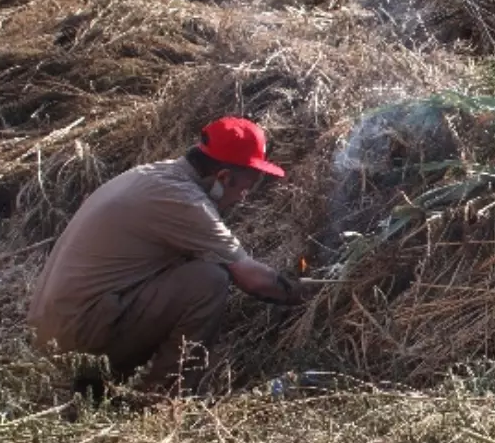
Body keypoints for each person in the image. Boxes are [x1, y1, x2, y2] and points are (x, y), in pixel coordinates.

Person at [27, 117, 309, 395]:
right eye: (245, 188)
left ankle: (102, 384)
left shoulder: (152, 175)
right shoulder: (183, 200)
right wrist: (307, 295)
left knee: (199, 265)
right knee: (209, 281)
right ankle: (162, 401)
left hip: (55, 329)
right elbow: (253, 279)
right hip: (75, 339)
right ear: (223, 177)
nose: (244, 198)